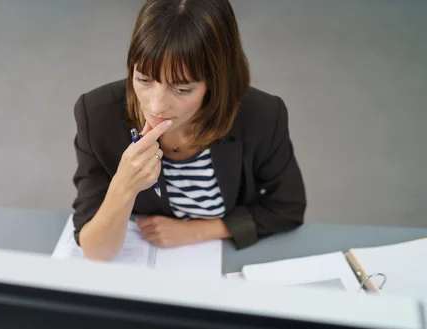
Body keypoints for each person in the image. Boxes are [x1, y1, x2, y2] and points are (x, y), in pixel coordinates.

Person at [71, 0, 306, 261]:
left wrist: (198, 231)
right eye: (144, 79)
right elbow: (96, 251)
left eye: (182, 89)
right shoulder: (97, 114)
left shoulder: (261, 115)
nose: (156, 105)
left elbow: (288, 208)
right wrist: (124, 186)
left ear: (216, 83)